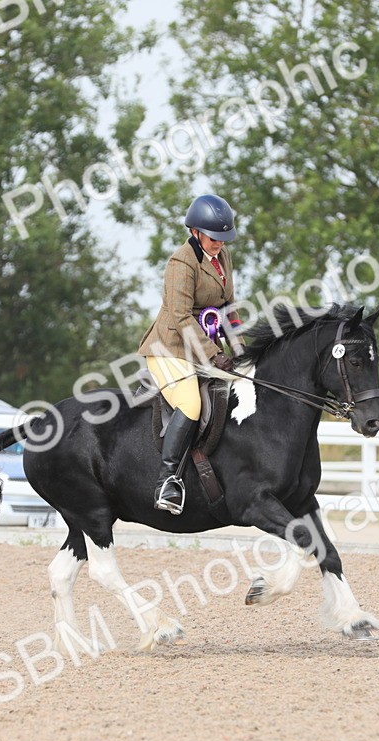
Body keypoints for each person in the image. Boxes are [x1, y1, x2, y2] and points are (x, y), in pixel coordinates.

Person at [137, 194, 240, 514]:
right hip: (170, 348)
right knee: (191, 403)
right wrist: (212, 353)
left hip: (202, 346)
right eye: (213, 238)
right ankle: (167, 481)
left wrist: (241, 350)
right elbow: (181, 317)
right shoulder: (181, 262)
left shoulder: (222, 259)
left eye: (224, 239)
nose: (219, 244)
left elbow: (229, 308)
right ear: (196, 233)